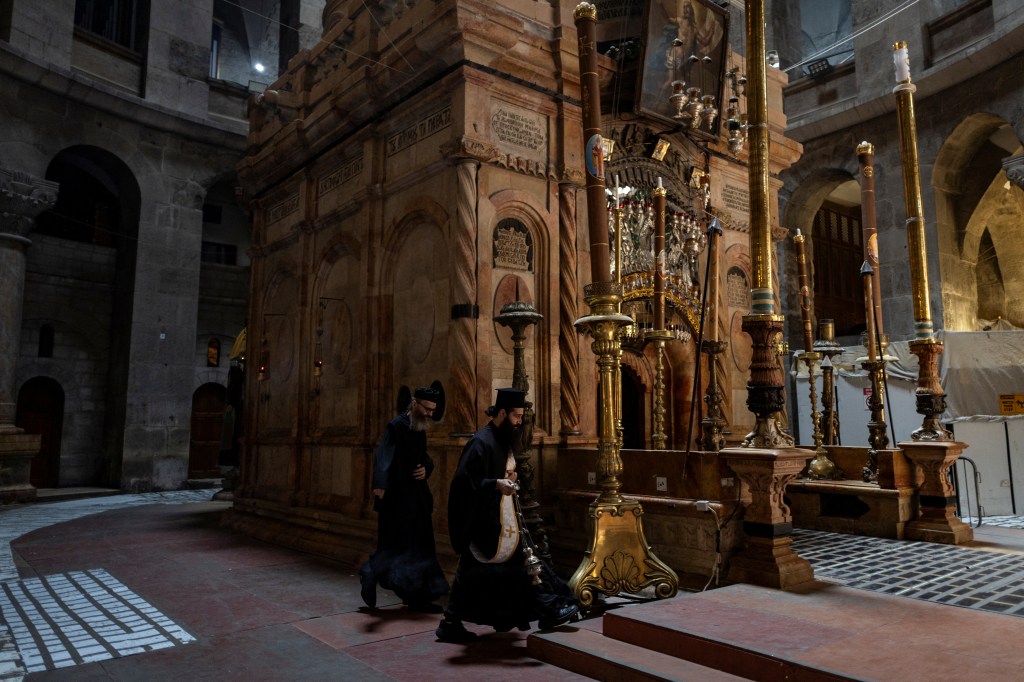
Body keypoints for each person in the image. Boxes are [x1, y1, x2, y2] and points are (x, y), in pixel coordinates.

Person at [436, 387, 578, 643]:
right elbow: (463, 484)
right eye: (515, 416)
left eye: (522, 416)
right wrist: (494, 483)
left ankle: (453, 621)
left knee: (504, 567)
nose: (519, 422)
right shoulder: (480, 442)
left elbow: (506, 471)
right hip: (485, 522)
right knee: (516, 565)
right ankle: (549, 608)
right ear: (501, 412)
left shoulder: (503, 438)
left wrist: (511, 479)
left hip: (504, 519)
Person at [359, 385, 449, 612]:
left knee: (420, 546)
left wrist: (426, 468)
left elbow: (423, 457)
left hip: (417, 498)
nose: (430, 414)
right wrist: (380, 485)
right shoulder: (395, 427)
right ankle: (370, 571)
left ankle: (417, 597)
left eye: (433, 411)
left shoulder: (419, 427)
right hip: (396, 499)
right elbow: (383, 456)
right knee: (394, 545)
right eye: (428, 409)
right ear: (415, 403)